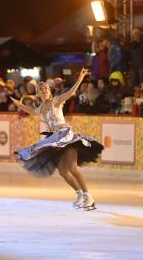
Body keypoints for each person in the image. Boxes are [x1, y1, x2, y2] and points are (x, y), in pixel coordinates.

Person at [11, 68, 104, 211]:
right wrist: (19, 104)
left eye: (46, 88)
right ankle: (80, 194)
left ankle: (88, 196)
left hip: (66, 137)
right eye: (41, 89)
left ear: (49, 91)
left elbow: (71, 92)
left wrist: (80, 78)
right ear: (38, 94)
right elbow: (31, 111)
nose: (44, 90)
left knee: (72, 168)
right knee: (63, 171)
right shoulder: (41, 108)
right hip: (55, 140)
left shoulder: (56, 101)